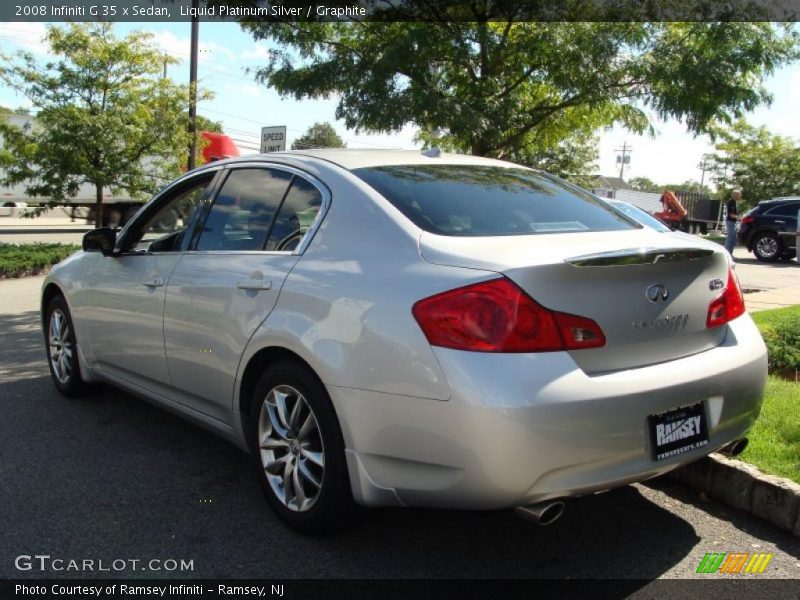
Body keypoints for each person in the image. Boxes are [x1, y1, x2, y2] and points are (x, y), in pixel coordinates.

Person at [725, 190, 741, 257]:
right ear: (735, 195)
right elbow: (731, 214)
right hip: (730, 222)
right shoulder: (730, 203)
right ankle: (727, 254)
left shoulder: (735, 202)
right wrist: (739, 218)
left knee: (733, 239)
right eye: (739, 194)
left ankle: (730, 254)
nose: (740, 196)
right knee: (730, 238)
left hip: (734, 222)